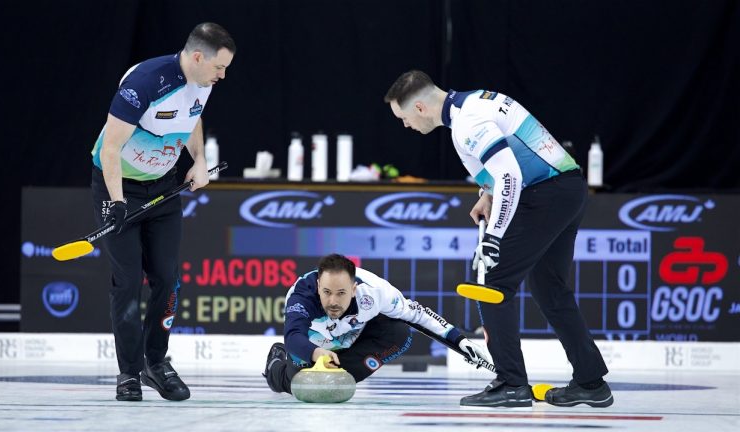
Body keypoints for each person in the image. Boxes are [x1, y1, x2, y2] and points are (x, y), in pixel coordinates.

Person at [383, 70, 613, 408]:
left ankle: (511, 384)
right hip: (566, 189)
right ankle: (591, 382)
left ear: (419, 107)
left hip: (545, 194)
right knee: (550, 290)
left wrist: (494, 235)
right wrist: (487, 194)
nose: (405, 125)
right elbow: (508, 163)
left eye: (403, 118)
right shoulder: (473, 102)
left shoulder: (467, 122)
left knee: (491, 281)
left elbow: (510, 175)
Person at [90, 23, 236, 401]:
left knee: (168, 280)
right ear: (198, 57)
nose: (223, 76)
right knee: (127, 282)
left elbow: (191, 118)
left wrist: (199, 160)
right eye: (219, 67)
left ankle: (155, 363)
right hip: (118, 186)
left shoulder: (203, 82)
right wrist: (117, 201)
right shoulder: (144, 82)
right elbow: (110, 149)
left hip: (164, 187)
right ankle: (128, 372)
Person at [263, 254, 494, 394]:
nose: (333, 301)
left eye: (341, 293)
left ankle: (342, 368)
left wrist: (459, 341)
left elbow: (418, 315)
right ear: (317, 287)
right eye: (326, 292)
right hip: (313, 345)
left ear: (354, 289)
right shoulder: (301, 296)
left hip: (354, 339)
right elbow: (293, 336)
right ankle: (276, 365)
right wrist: (317, 353)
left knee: (399, 333)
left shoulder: (375, 292)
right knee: (302, 387)